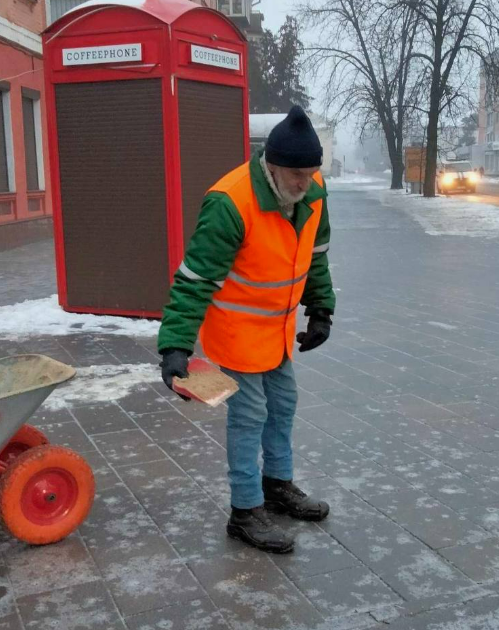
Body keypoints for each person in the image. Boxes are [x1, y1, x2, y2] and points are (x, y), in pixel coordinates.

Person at [157, 106, 335, 554]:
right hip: (237, 331)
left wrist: (321, 310)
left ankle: (277, 485)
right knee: (250, 415)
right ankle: (245, 509)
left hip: (277, 331)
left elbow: (315, 255)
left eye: (311, 173)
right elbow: (195, 279)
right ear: (271, 165)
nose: (305, 183)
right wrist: (175, 346)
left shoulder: (313, 193)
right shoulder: (230, 202)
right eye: (296, 175)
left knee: (283, 405)